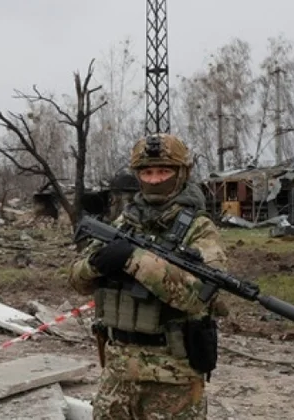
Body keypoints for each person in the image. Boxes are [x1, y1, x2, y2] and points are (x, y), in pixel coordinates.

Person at [69, 133, 228, 419]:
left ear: (182, 173)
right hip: (117, 373)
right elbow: (77, 281)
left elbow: (198, 296)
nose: (155, 179)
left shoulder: (199, 228)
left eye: (164, 171)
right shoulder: (123, 222)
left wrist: (135, 259)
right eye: (147, 172)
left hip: (173, 377)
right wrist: (96, 264)